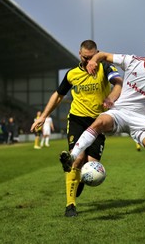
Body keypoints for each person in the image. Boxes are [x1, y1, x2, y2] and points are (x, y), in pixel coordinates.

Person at [60, 39, 145, 215]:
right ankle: (72, 156)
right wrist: (93, 60)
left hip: (140, 119)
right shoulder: (132, 61)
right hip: (119, 112)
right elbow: (103, 55)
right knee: (98, 122)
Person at [30, 40, 122, 217]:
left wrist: (111, 98)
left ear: (98, 53)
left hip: (98, 122)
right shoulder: (72, 74)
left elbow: (118, 83)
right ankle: (70, 205)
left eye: (92, 57)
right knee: (76, 159)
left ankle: (79, 181)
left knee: (91, 163)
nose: (89, 62)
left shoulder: (105, 67)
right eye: (86, 58)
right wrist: (43, 116)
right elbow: (58, 96)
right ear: (80, 55)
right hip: (77, 120)